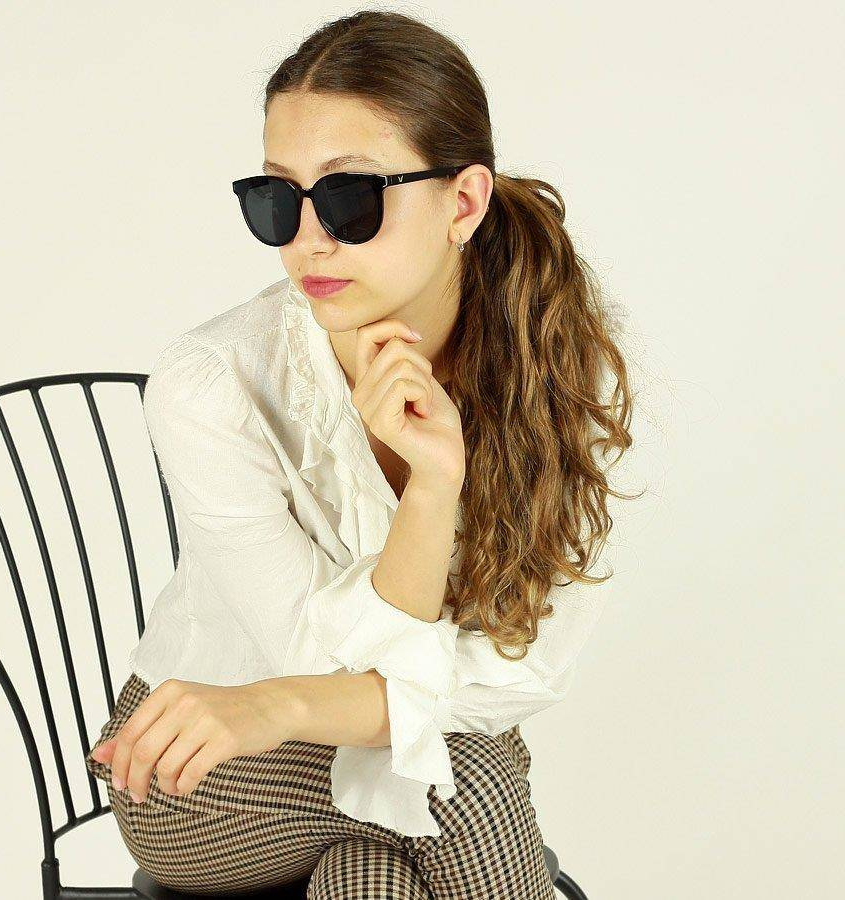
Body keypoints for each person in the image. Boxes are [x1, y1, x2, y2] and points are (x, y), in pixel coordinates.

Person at [86, 9, 636, 898]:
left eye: (350, 197)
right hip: (208, 768)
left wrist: (434, 484)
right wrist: (274, 702)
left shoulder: (558, 370)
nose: (309, 240)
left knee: (370, 876)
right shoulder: (213, 382)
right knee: (463, 778)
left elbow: (528, 668)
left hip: (302, 718)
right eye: (277, 200)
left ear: (463, 202)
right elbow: (320, 656)